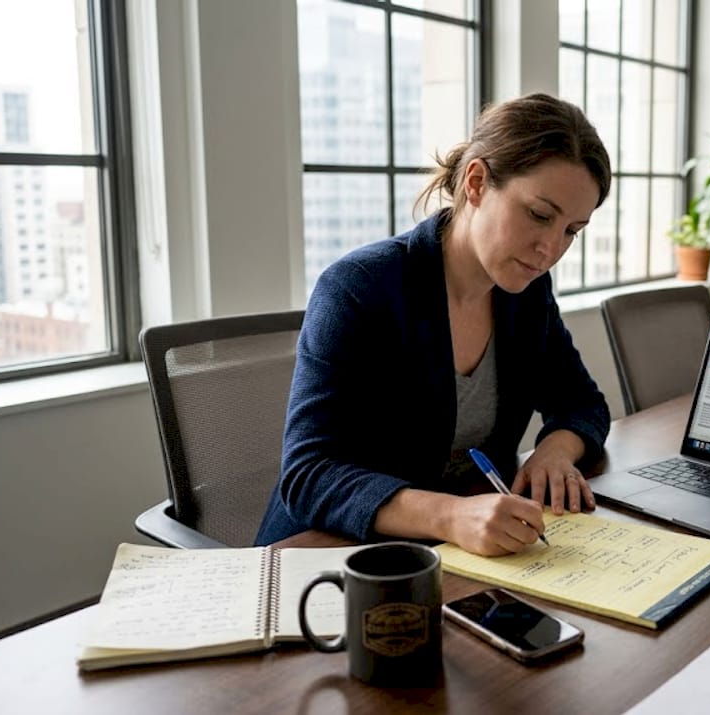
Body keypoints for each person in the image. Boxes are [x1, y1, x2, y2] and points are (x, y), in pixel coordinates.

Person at [255, 93, 613, 555]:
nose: (551, 249)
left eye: (571, 231)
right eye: (539, 215)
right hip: (329, 560)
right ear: (477, 182)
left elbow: (581, 401)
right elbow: (309, 474)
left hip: (460, 556)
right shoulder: (359, 290)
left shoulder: (526, 295)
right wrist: (450, 516)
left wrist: (556, 451)